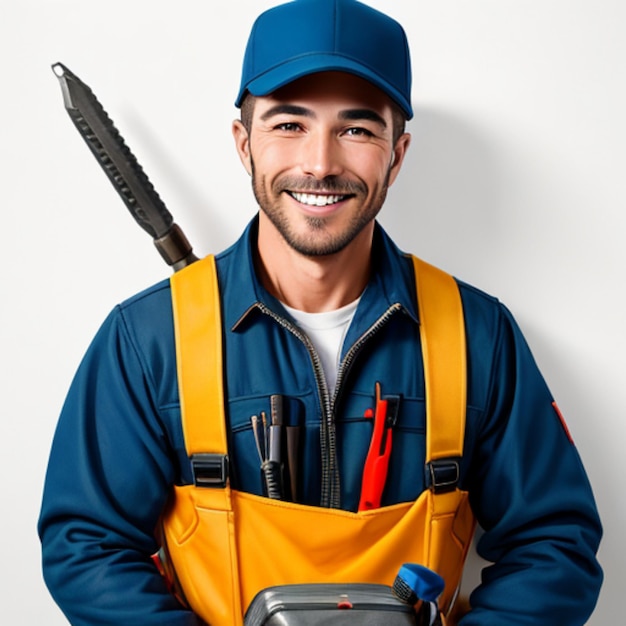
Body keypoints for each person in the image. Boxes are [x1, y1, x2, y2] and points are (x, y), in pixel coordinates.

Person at [38, 0, 603, 624]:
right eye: (288, 125)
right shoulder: (147, 340)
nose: (320, 163)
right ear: (242, 143)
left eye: (357, 129)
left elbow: (555, 545)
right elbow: (87, 546)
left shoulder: (479, 336)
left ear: (398, 152)